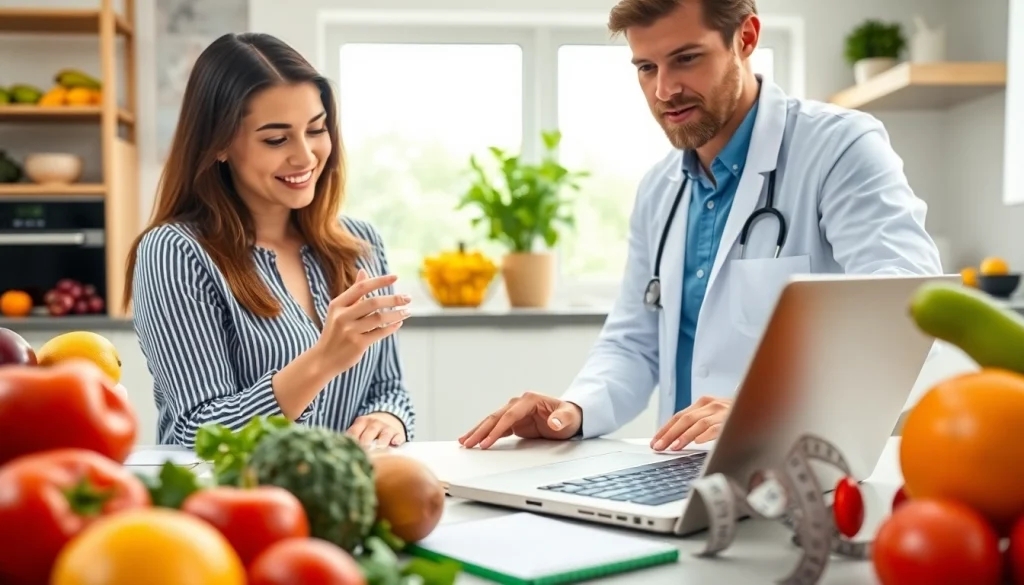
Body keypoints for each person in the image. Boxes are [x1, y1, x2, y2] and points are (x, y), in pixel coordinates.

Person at [459, 0, 943, 452]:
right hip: (676, 470)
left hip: (797, 464)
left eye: (686, 59)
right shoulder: (659, 189)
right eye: (646, 67)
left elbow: (909, 316)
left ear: (746, 37)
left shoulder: (838, 147)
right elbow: (633, 341)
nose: (663, 90)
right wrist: (574, 410)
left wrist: (769, 413)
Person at [124, 32, 415, 449]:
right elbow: (200, 431)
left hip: (341, 502)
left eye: (316, 130)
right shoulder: (175, 252)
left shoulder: (360, 244)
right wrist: (322, 361)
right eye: (276, 139)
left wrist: (388, 417)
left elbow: (390, 387)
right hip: (230, 504)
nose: (305, 156)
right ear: (220, 144)